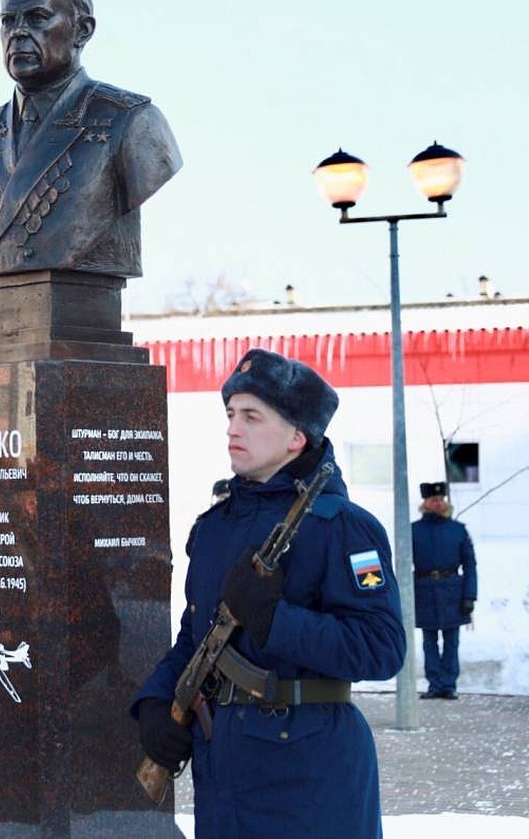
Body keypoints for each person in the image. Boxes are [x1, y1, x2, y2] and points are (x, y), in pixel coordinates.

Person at [133, 349, 405, 838]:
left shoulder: (343, 528)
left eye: (252, 417)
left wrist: (275, 621)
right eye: (231, 415)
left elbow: (381, 648)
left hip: (310, 772)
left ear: (297, 436)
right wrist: (155, 702)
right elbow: (196, 638)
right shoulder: (215, 528)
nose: (233, 429)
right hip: (225, 773)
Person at [0, 0, 181, 280]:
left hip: (86, 307)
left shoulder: (130, 122)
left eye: (37, 17)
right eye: (8, 20)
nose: (18, 33)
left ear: (82, 30)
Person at [411, 481, 478, 701]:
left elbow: (470, 565)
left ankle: (449, 685)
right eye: (433, 500)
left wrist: (469, 595)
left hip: (452, 592)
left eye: (440, 499)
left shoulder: (458, 530)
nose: (438, 503)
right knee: (429, 641)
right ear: (426, 503)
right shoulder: (414, 530)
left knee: (452, 641)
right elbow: (403, 563)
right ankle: (434, 684)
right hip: (424, 591)